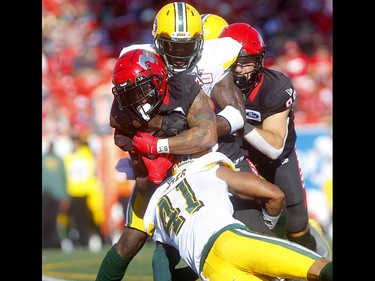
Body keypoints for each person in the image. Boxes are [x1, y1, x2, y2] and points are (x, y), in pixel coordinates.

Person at [218, 22, 331, 255]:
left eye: (246, 62)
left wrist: (239, 121)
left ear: (259, 61)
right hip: (237, 156)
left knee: (298, 228)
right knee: (252, 226)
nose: (239, 69)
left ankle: (312, 260)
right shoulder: (212, 83)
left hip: (278, 160)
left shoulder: (275, 87)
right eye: (233, 63)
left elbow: (274, 148)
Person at [141, 151, 333, 281]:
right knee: (320, 269)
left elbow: (162, 269)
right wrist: (272, 234)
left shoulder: (156, 205)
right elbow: (275, 194)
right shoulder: (201, 167)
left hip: (211, 271)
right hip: (233, 241)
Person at [42, 141, 69, 249]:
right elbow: (63, 178)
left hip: (52, 195)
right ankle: (49, 243)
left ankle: (53, 243)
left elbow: (63, 178)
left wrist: (65, 196)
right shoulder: (57, 160)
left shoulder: (57, 159)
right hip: (50, 195)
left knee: (54, 221)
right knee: (50, 220)